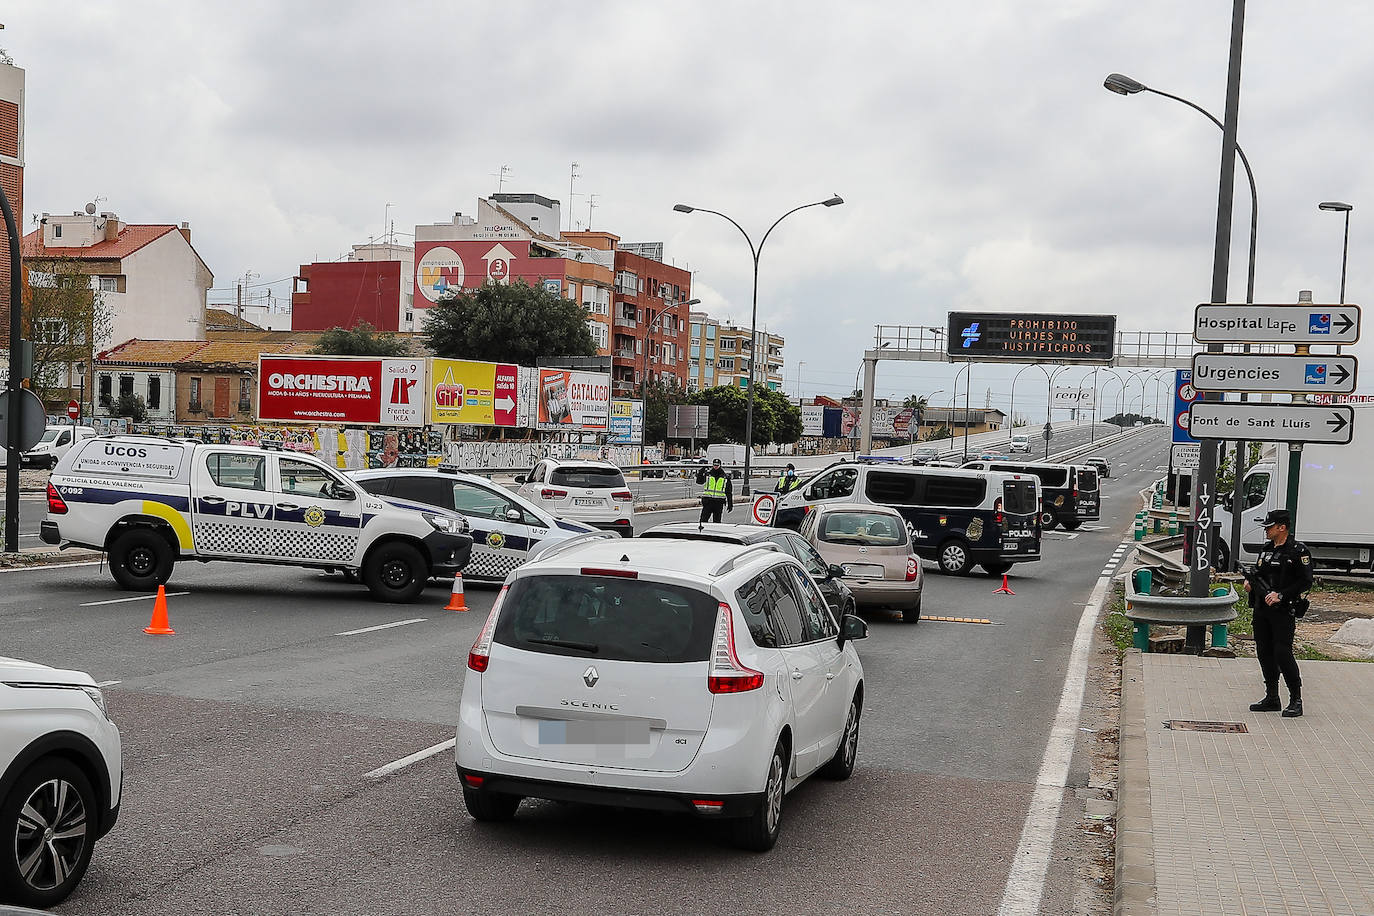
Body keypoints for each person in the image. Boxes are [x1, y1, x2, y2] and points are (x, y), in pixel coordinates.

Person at [1243, 508, 1313, 718]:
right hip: (1262, 609)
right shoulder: (1266, 549)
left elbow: (1305, 581)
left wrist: (1281, 595)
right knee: (1264, 652)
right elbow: (1259, 573)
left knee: (1282, 652)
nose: (1266, 530)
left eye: (1270, 527)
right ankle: (1272, 697)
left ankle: (1296, 699)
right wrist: (1249, 582)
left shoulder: (1298, 551)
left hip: (1283, 610)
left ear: (1282, 527)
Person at [699, 458, 734, 523]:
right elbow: (699, 482)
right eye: (714, 465)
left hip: (718, 502)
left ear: (720, 465)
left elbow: (728, 492)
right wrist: (701, 472)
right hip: (708, 501)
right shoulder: (708, 475)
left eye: (717, 465)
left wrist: (730, 504)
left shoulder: (725, 477)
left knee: (717, 522)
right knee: (703, 521)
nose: (715, 467)